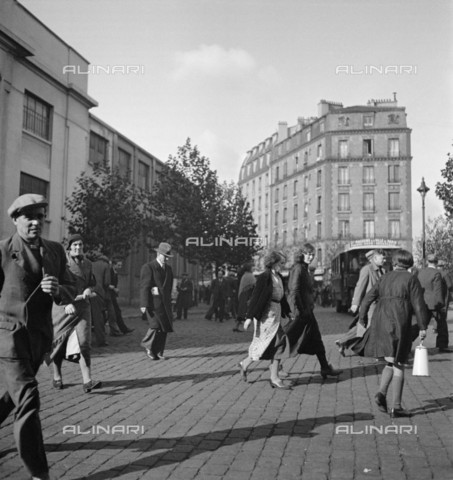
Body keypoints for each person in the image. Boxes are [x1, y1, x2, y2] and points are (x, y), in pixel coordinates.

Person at [0, 194, 75, 480]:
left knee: (10, 397)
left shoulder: (55, 250)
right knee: (29, 398)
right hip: (9, 340)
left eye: (39, 217)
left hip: (40, 339)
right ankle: (38, 472)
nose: (35, 223)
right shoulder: (4, 251)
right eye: (28, 217)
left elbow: (71, 286)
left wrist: (58, 290)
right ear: (16, 220)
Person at [352, 249, 429, 417]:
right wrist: (423, 326)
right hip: (399, 322)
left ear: (394, 263)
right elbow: (418, 304)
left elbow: (367, 299)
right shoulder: (411, 279)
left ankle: (381, 394)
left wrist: (362, 319)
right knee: (399, 362)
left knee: (390, 361)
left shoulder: (384, 277)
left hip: (381, 321)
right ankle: (397, 406)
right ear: (409, 264)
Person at [49, 234, 101, 393]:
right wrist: (66, 304)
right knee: (59, 343)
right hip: (63, 308)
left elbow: (93, 283)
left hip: (83, 307)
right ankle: (57, 376)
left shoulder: (88, 264)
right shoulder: (61, 263)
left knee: (84, 342)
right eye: (75, 245)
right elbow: (54, 286)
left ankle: (87, 381)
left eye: (80, 245)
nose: (78, 248)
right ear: (69, 248)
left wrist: (89, 289)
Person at [285, 244, 343, 379]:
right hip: (300, 312)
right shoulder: (298, 268)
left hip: (306, 311)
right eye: (308, 254)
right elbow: (294, 291)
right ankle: (250, 363)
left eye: (312, 254)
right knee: (287, 340)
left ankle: (325, 367)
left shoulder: (305, 269)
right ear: (301, 254)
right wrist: (300, 310)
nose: (310, 257)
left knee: (316, 339)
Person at [238, 251, 293, 389]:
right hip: (266, 316)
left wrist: (288, 312)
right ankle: (273, 377)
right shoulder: (264, 277)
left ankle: (247, 364)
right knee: (270, 343)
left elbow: (282, 297)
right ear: (273, 263)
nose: (282, 265)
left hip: (276, 312)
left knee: (274, 344)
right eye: (281, 263)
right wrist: (249, 317)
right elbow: (256, 297)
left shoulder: (279, 277)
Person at [335, 249, 385, 356]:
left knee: (363, 326)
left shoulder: (382, 271)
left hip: (379, 304)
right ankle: (376, 351)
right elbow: (360, 286)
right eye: (382, 258)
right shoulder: (367, 270)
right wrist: (355, 303)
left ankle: (343, 342)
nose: (384, 260)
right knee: (370, 327)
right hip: (370, 304)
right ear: (374, 258)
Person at [140, 242, 174, 360]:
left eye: (168, 257)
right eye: (165, 256)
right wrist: (144, 304)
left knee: (164, 327)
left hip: (165, 303)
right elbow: (145, 286)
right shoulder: (149, 267)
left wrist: (171, 299)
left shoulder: (168, 269)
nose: (166, 259)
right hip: (153, 303)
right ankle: (148, 346)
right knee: (155, 325)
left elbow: (169, 287)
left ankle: (158, 352)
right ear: (158, 254)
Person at [416, 254, 450, 352]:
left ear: (427, 262)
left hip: (423, 302)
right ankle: (442, 345)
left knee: (422, 324)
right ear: (436, 262)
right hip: (435, 303)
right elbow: (437, 290)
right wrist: (441, 304)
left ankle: (410, 342)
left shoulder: (420, 272)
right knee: (442, 324)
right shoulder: (437, 273)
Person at [91, 253, 122, 337]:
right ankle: (110, 332)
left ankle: (98, 332)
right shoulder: (106, 266)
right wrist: (113, 288)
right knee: (111, 313)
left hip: (92, 292)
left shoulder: (91, 264)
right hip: (104, 293)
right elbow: (106, 282)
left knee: (96, 314)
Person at [108, 259, 134, 334]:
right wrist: (114, 288)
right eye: (118, 265)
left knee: (115, 312)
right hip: (109, 295)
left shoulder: (114, 271)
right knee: (116, 312)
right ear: (114, 264)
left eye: (121, 265)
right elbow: (107, 283)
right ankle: (122, 329)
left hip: (112, 295)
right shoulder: (110, 271)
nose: (120, 267)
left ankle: (120, 330)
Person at [233, 261, 256, 332]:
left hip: (244, 295)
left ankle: (237, 326)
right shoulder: (250, 275)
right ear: (249, 268)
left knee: (242, 312)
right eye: (252, 267)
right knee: (246, 312)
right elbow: (255, 285)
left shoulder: (245, 275)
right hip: (247, 295)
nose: (253, 268)